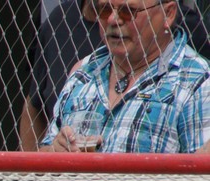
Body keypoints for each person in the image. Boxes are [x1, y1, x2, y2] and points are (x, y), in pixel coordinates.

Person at [24, 0, 210, 150]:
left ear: (168, 13)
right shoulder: (83, 73)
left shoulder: (197, 81)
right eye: (104, 9)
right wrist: (55, 152)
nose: (113, 19)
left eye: (128, 11)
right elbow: (43, 156)